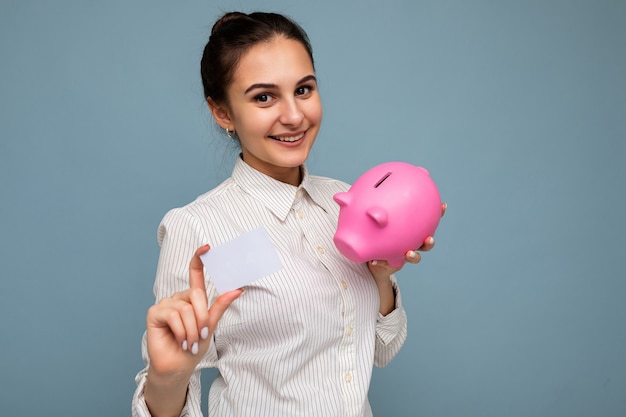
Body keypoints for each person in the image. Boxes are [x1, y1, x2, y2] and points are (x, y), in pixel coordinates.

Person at [132, 11, 445, 417]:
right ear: (222, 112)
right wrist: (168, 377)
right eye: (264, 97)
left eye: (303, 89)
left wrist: (382, 276)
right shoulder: (198, 228)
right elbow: (173, 377)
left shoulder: (345, 201)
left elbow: (381, 349)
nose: (294, 116)